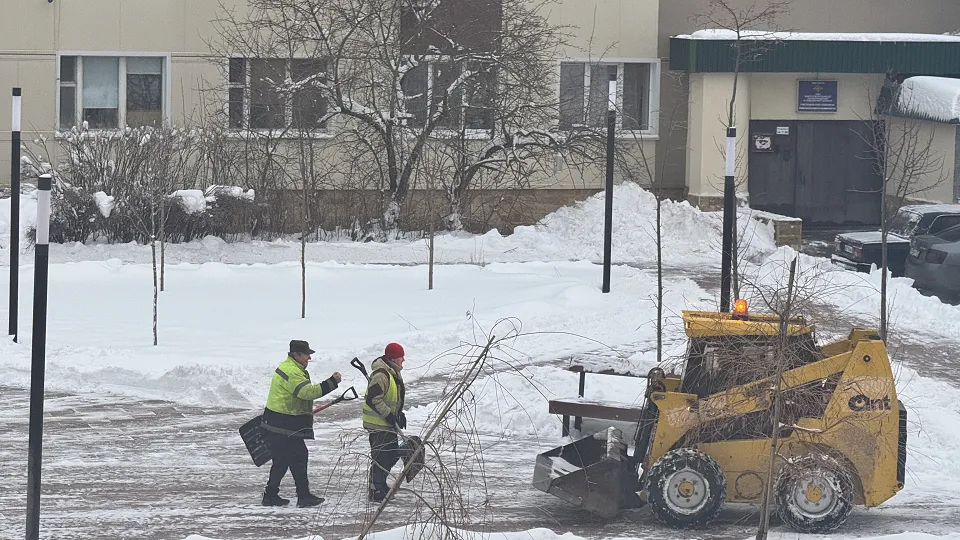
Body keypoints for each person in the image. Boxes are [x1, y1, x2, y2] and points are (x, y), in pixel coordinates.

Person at [261, 339, 341, 508]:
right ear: (296, 355)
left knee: (282, 460)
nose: (309, 359)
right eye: (306, 355)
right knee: (299, 456)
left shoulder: (291, 367)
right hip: (283, 424)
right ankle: (303, 496)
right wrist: (332, 382)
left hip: (279, 423)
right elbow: (307, 392)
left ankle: (271, 495)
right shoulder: (292, 371)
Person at [362, 342, 408, 502]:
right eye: (401, 357)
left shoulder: (392, 372)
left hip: (387, 423)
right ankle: (375, 490)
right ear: (394, 358)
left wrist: (398, 414)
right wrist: (388, 415)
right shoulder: (382, 375)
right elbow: (373, 399)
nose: (403, 360)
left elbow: (392, 396)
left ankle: (380, 484)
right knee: (381, 457)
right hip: (378, 424)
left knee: (390, 454)